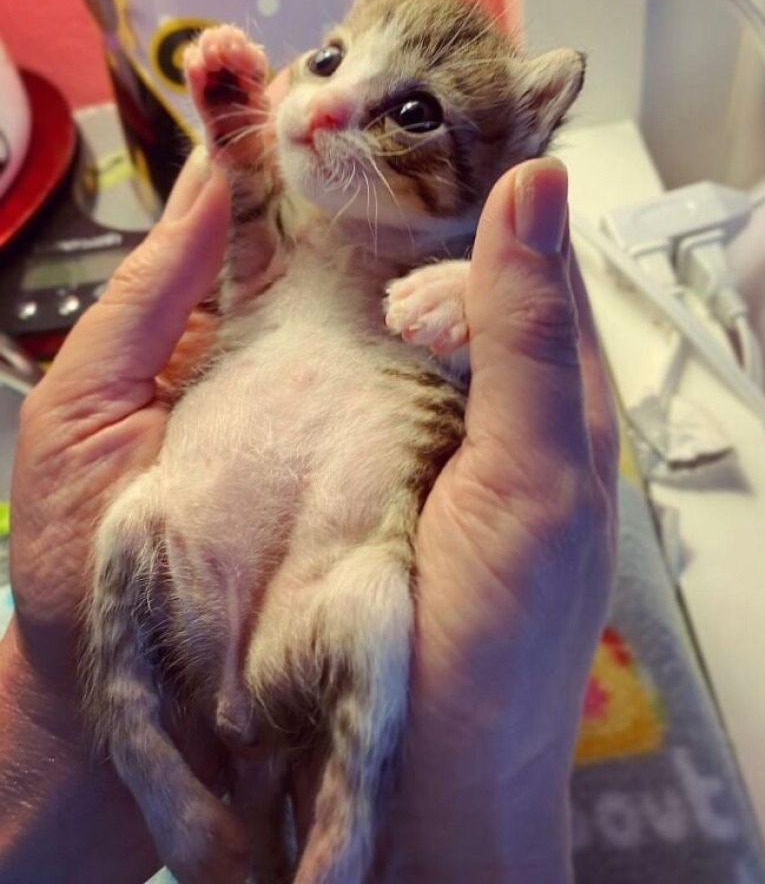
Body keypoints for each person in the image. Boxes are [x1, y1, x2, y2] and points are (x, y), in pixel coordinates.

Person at [0, 146, 617, 882]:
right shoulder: (286, 242)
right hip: (190, 566)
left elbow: (470, 348)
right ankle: (162, 788)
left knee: (376, 598)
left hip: (320, 597)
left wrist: (465, 295)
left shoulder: (448, 250)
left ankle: (342, 840)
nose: (329, 118)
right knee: (127, 522)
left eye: (411, 119)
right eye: (321, 75)